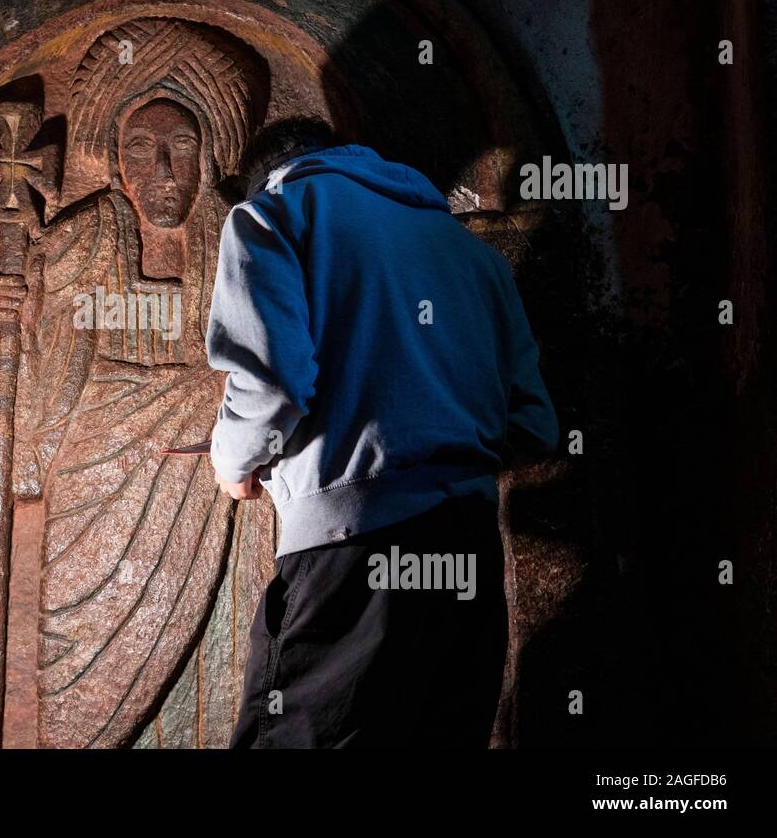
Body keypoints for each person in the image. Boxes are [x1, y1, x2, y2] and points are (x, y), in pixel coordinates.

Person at [206, 118, 559, 748]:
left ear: (261, 176)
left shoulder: (269, 215)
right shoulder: (476, 258)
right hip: (466, 556)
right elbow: (533, 425)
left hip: (349, 554)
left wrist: (232, 463)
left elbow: (271, 384)